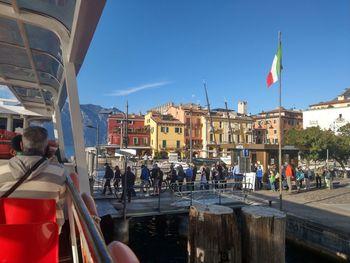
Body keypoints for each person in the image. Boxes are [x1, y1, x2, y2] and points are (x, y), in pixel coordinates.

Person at [0, 126, 67, 232]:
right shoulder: (59, 173)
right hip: (44, 240)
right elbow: (61, 203)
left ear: (21, 146)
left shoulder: (1, 171)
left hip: (5, 239)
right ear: (46, 149)